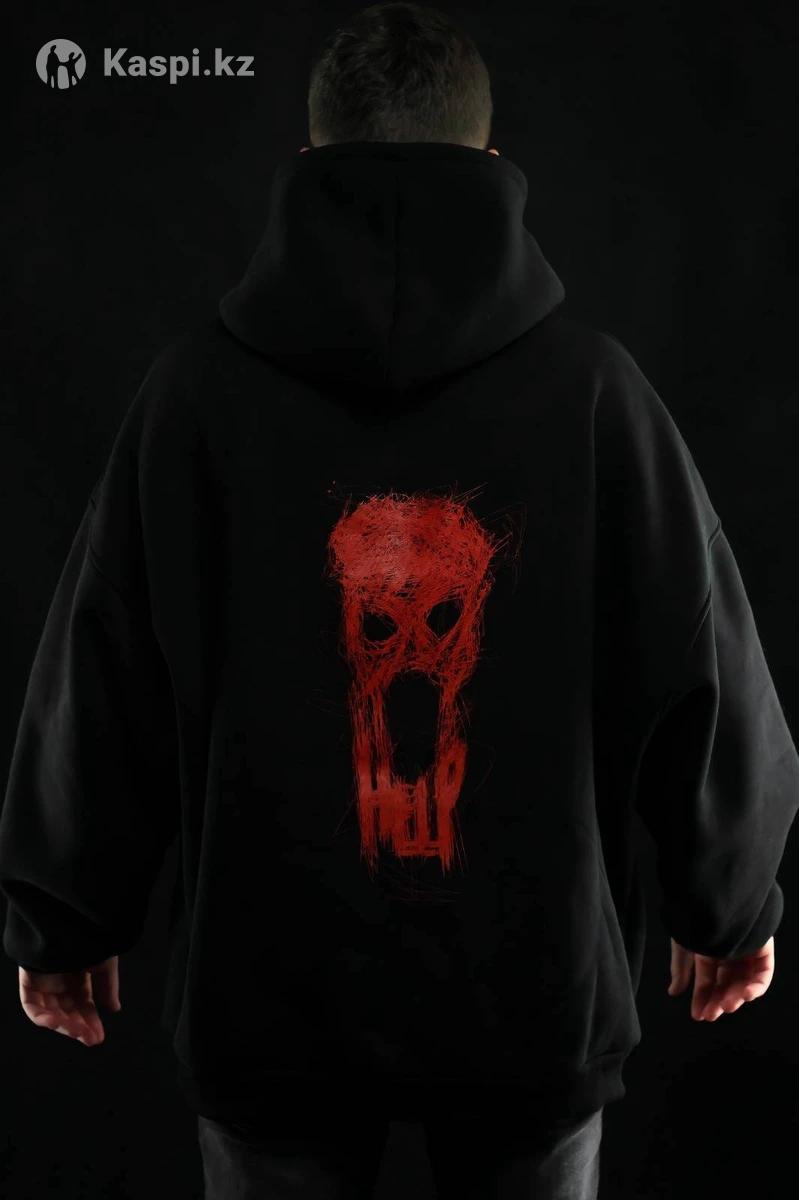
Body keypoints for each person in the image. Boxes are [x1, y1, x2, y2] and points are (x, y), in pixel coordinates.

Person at [2, 3, 797, 1198]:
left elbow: (100, 674)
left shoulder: (195, 401)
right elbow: (703, 662)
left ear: (308, 160)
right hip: (532, 1006)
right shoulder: (595, 397)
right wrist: (725, 897)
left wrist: (65, 915)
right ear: (491, 160)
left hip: (267, 1009)